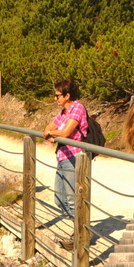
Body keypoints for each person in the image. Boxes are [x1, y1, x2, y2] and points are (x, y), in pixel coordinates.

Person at [45, 78, 91, 223]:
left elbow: (65, 132)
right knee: (59, 199)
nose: (55, 98)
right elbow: (46, 129)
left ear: (67, 96)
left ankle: (81, 233)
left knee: (71, 200)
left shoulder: (78, 108)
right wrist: (50, 133)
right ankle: (79, 229)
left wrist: (53, 134)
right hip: (62, 157)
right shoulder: (63, 113)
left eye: (58, 95)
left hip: (74, 157)